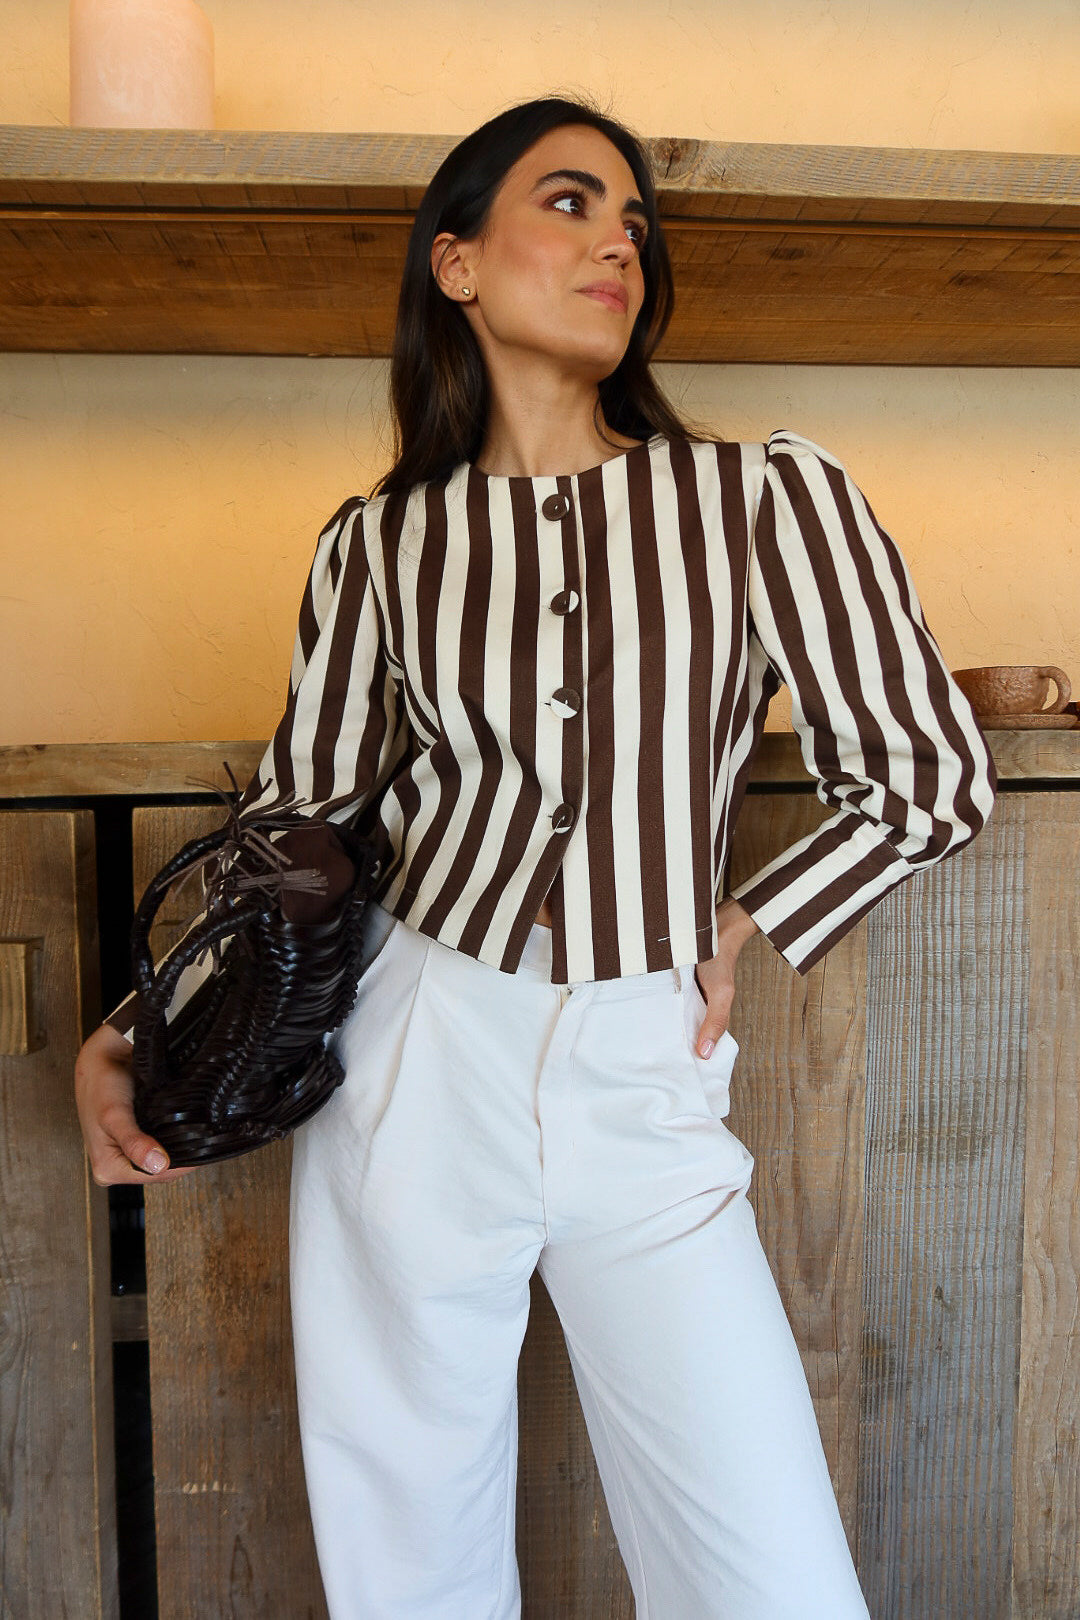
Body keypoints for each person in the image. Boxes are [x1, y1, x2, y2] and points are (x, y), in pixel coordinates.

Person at [75, 92, 997, 1619]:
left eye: (635, 221)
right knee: (408, 1563)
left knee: (769, 1574)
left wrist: (744, 922)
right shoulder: (377, 545)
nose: (618, 243)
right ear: (455, 262)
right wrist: (137, 1028)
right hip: (414, 1052)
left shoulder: (767, 499)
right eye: (570, 203)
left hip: (645, 1064)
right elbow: (299, 829)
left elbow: (927, 778)